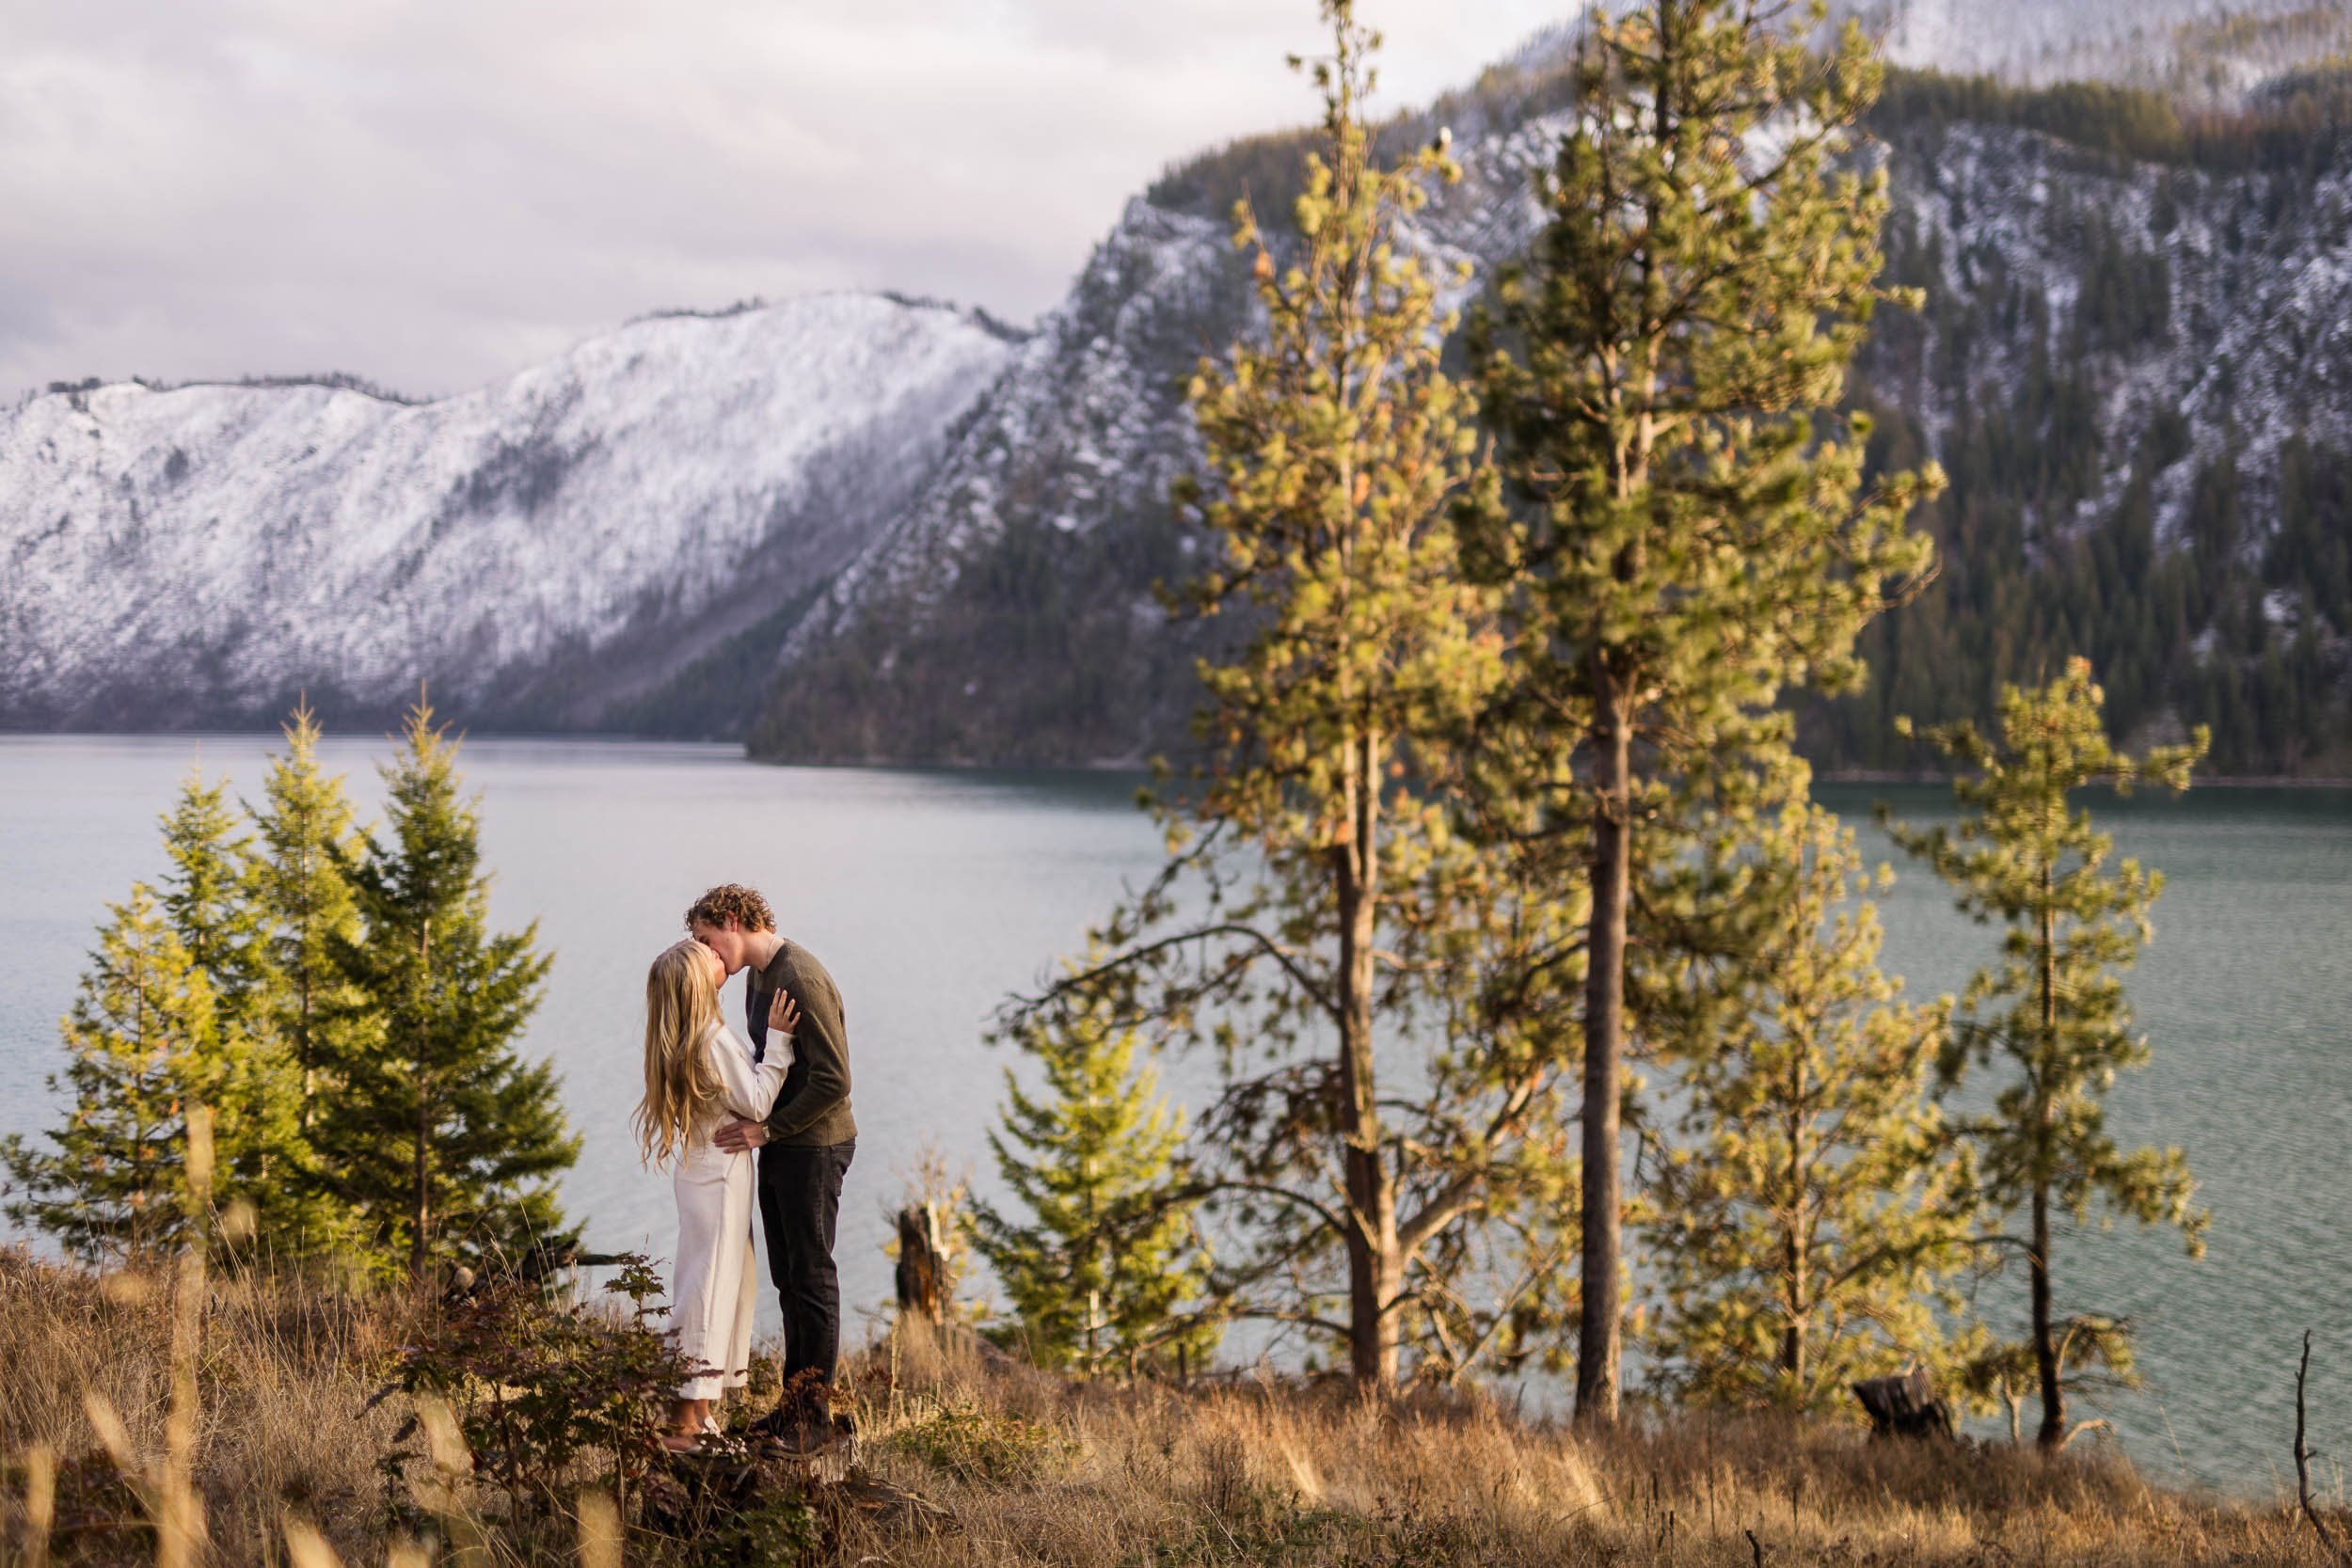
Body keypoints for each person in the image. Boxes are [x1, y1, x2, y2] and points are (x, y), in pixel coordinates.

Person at [686, 884, 857, 1452]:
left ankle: (815, 1420)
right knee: (787, 1278)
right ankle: (792, 1410)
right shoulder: (758, 979)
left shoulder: (799, 977)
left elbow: (835, 1080)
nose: (706, 952)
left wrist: (768, 1129)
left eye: (707, 939)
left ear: (733, 921)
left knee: (812, 1278)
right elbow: (769, 1063)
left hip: (817, 1147)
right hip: (783, 1145)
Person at [633, 937, 802, 1450]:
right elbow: (757, 1103)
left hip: (704, 1175)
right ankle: (684, 1423)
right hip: (720, 1180)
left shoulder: (691, 1036)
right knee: (708, 1288)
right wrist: (779, 1041)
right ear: (696, 983)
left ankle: (701, 1412)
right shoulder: (710, 1038)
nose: (714, 952)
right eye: (704, 953)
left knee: (713, 1284)